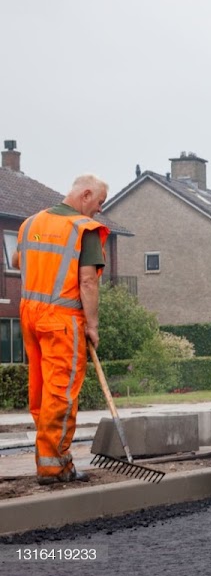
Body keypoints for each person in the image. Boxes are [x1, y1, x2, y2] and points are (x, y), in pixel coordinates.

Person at [14, 174, 109, 485]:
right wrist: (92, 324)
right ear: (85, 195)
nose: (98, 211)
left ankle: (49, 462)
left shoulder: (30, 224)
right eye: (98, 203)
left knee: (41, 391)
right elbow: (87, 281)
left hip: (29, 313)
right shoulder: (84, 230)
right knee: (62, 393)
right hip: (61, 319)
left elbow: (19, 261)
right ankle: (56, 466)